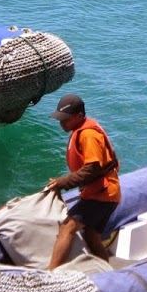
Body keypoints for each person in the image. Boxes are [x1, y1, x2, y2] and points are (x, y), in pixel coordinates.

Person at [44, 93, 121, 270]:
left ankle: (50, 273)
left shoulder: (88, 135)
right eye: (60, 119)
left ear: (79, 116)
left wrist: (62, 182)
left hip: (102, 195)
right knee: (92, 235)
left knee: (67, 227)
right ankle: (107, 273)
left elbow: (91, 169)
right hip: (105, 192)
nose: (62, 123)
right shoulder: (82, 130)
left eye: (66, 119)